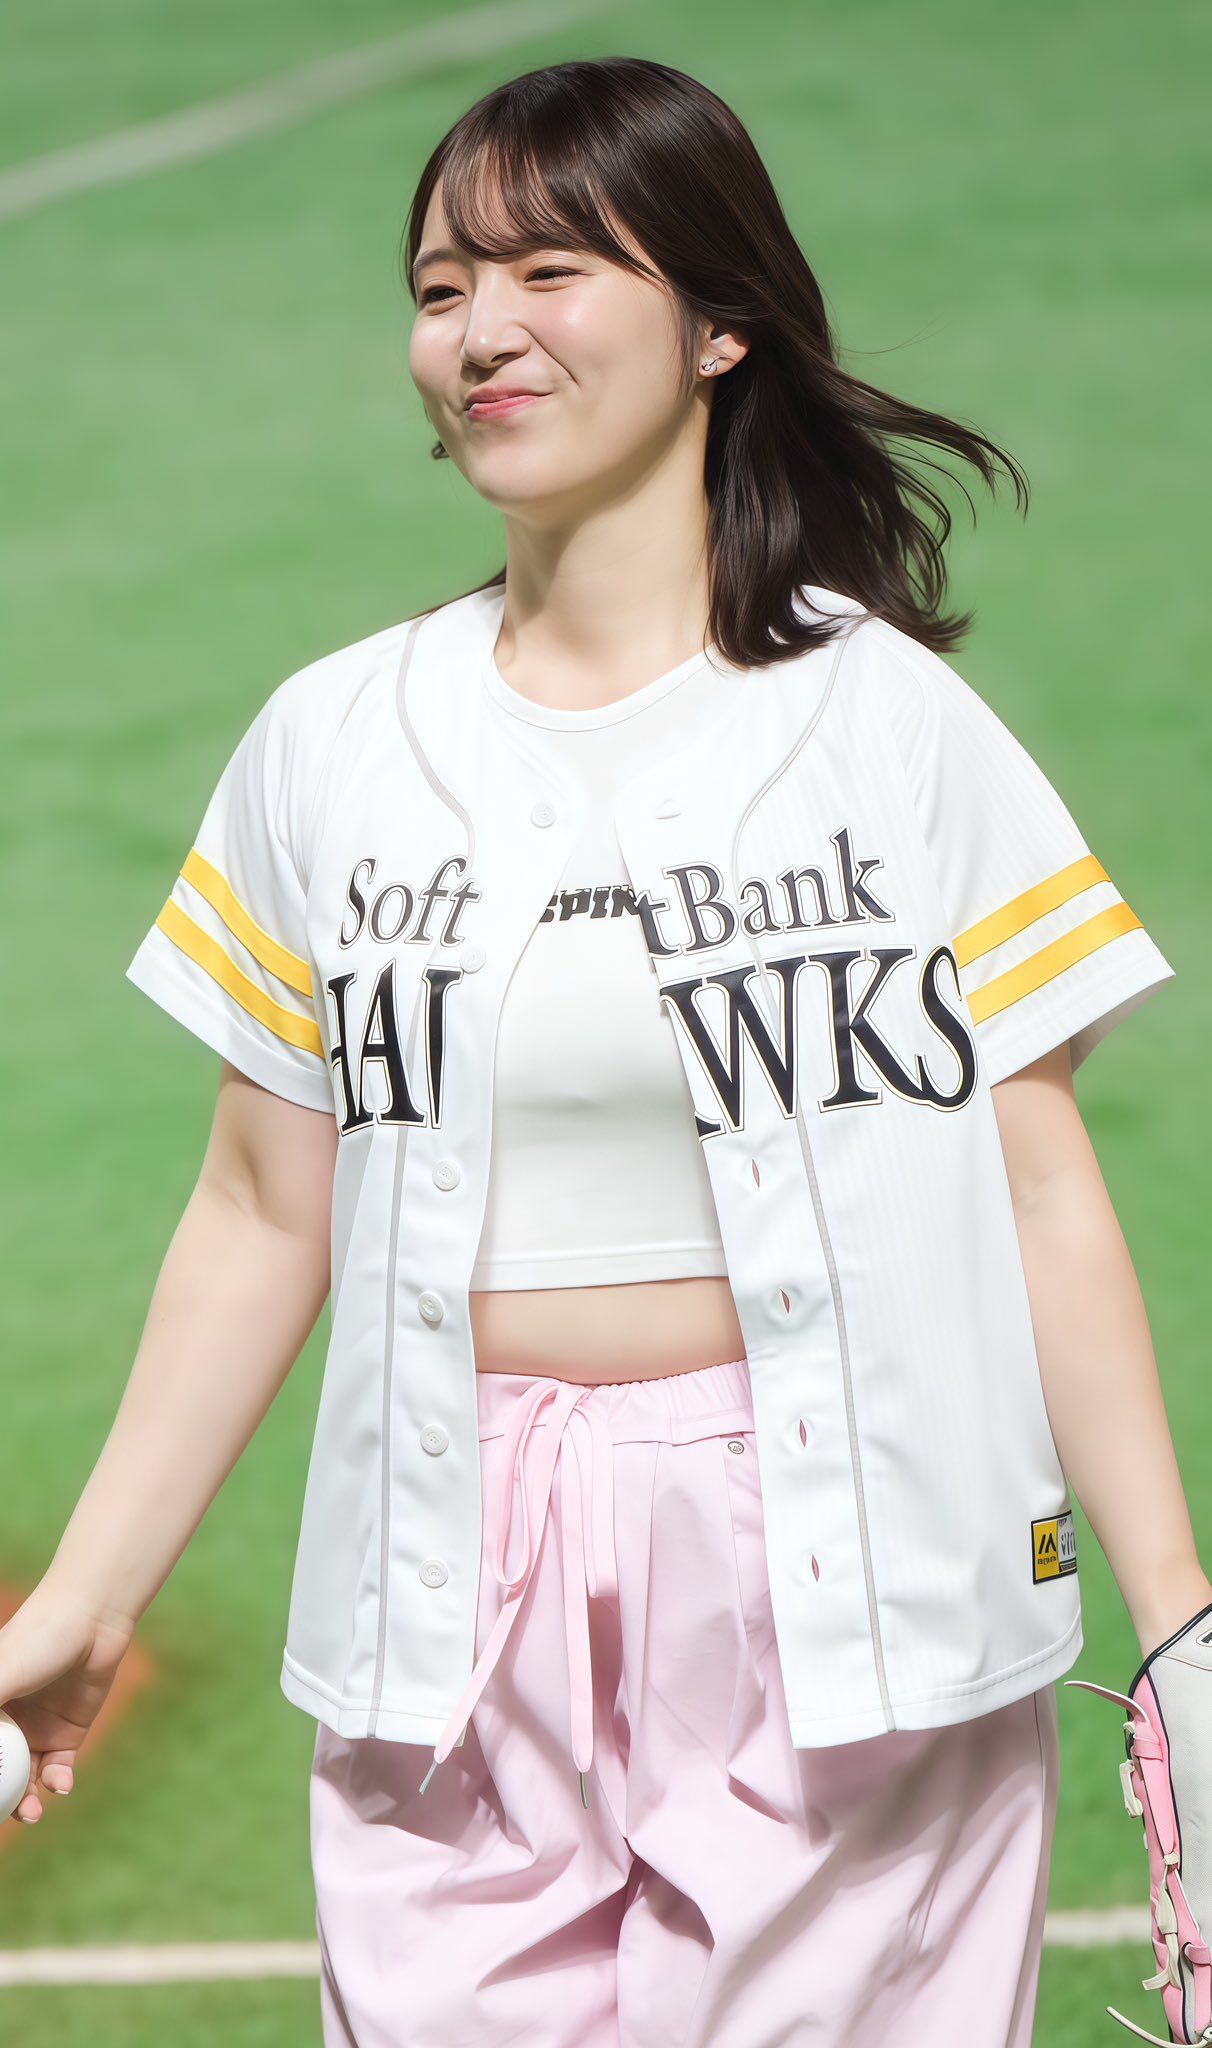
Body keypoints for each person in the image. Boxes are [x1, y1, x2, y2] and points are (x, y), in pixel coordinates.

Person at [2, 55, 1207, 2048]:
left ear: (721, 323)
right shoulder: (332, 744)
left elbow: (1038, 1170)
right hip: (446, 1587)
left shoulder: (888, 728)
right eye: (441, 286)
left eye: (550, 271)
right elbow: (260, 1206)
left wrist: (1180, 1635)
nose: (481, 331)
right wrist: (85, 1604)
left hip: (848, 1575)